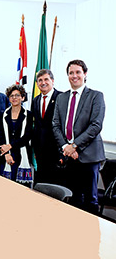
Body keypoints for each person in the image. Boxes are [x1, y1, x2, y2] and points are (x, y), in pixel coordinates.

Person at [52, 59, 105, 214]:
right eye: (71, 73)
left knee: (90, 200)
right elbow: (55, 125)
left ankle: (94, 237)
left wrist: (74, 146)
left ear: (85, 74)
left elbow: (95, 125)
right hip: (68, 157)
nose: (74, 76)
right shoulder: (62, 98)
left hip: (89, 157)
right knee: (73, 199)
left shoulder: (96, 96)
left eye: (77, 72)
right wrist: (65, 147)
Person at [0, 85, 33, 186]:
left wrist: (11, 146)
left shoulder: (29, 115)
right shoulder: (2, 115)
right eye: (12, 96)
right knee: (5, 189)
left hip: (21, 155)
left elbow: (27, 136)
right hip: (5, 156)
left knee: (22, 191)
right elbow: (0, 136)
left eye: (17, 95)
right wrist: (6, 153)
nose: (14, 98)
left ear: (23, 97)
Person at [31, 69, 63, 185]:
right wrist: (35, 147)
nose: (43, 82)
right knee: (41, 183)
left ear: (52, 81)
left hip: (56, 150)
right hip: (40, 150)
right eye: (40, 80)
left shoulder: (62, 97)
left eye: (46, 79)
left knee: (55, 185)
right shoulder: (35, 100)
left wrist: (62, 152)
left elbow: (64, 125)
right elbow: (36, 125)